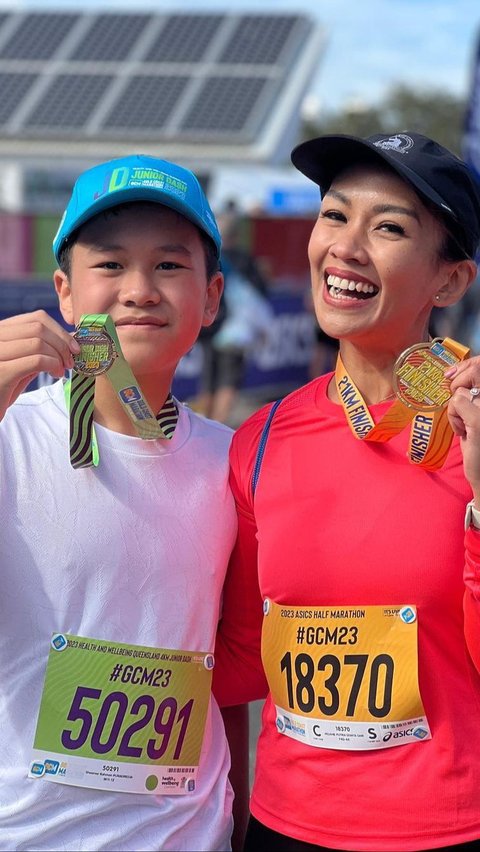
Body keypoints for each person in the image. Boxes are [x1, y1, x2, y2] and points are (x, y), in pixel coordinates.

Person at [213, 132, 480, 851]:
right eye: (335, 215)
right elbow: (238, 662)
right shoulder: (260, 439)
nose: (347, 246)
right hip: (284, 827)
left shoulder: (475, 427)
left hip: (446, 831)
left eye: (388, 227)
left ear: (450, 282)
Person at [0, 154, 241, 851]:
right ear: (64, 292)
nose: (139, 290)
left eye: (169, 266)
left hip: (194, 836)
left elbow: (222, 672)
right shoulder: (13, 435)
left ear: (213, 296)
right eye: (109, 265)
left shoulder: (237, 461)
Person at [195, 206, 272, 425]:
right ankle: (217, 426)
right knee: (228, 381)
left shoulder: (209, 258)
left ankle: (203, 424)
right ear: (237, 234)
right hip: (235, 332)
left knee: (208, 379)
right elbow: (261, 293)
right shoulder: (245, 260)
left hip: (209, 326)